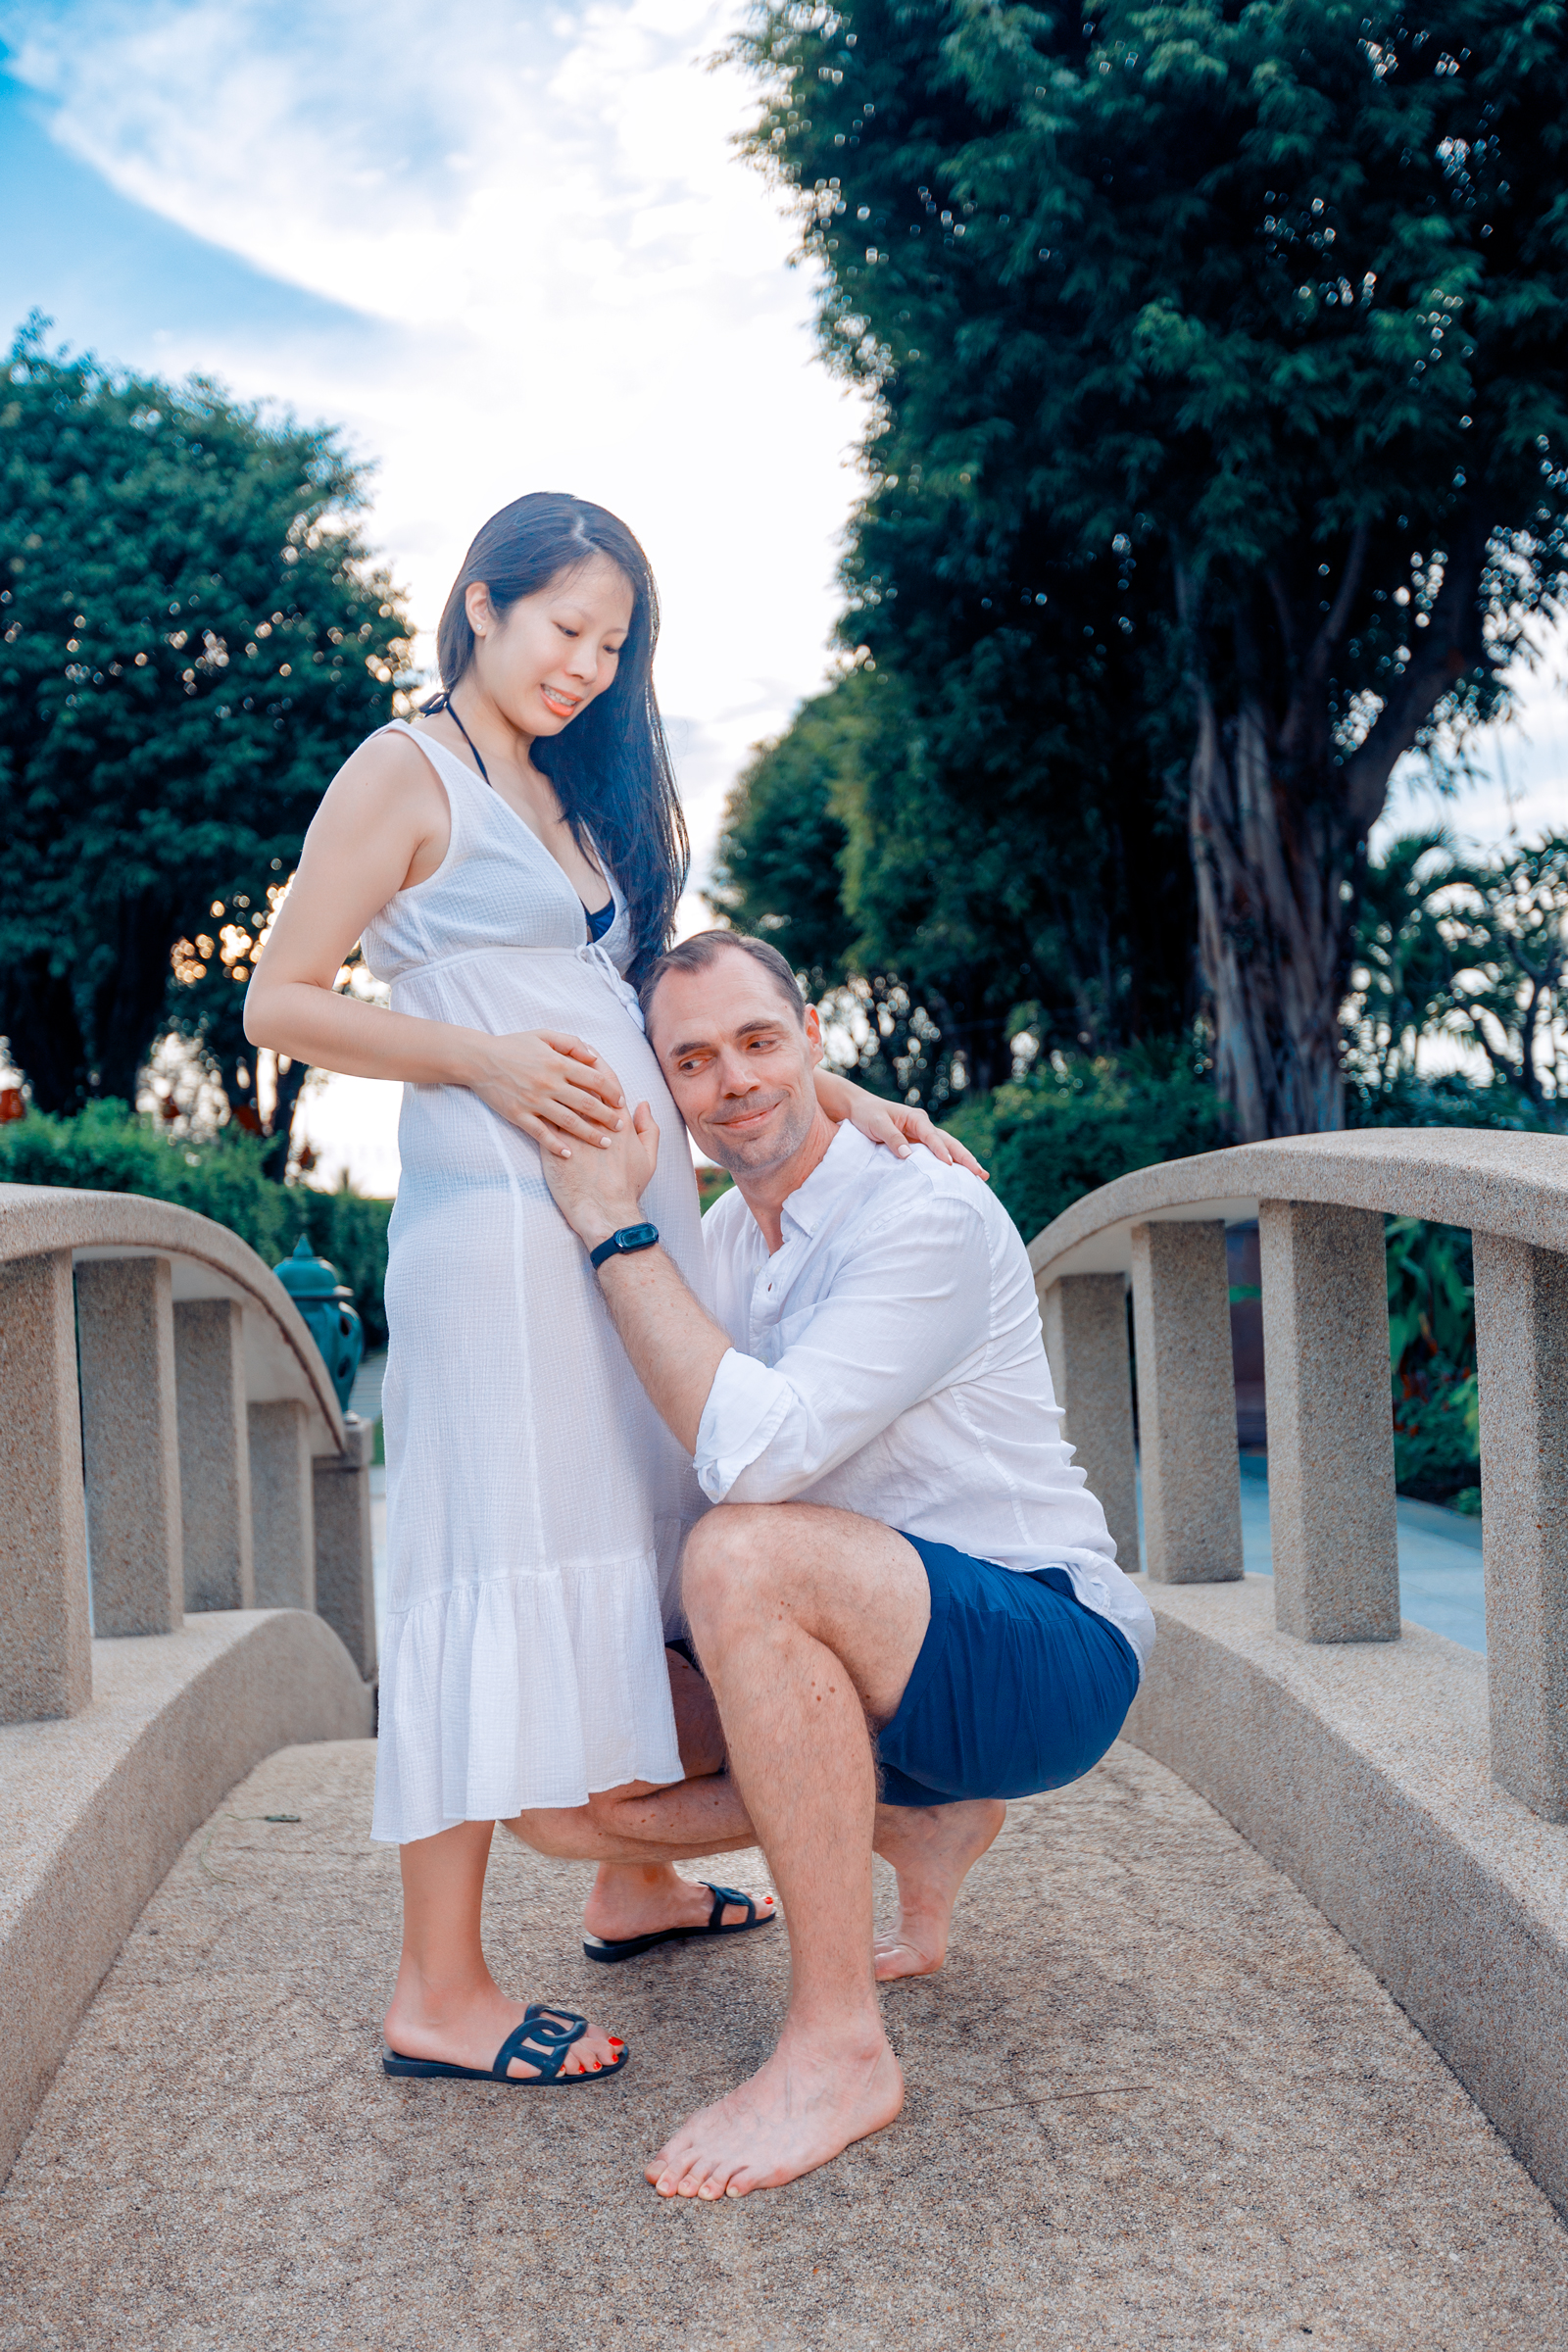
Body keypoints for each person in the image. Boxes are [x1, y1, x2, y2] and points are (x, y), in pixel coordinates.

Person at [244, 495, 978, 2089]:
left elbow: (666, 1008)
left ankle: (631, 1875)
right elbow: (277, 997)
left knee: (643, 1532)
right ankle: (437, 1983)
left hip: (629, 1236)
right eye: (563, 626)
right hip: (499, 1239)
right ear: (483, 604)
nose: (586, 664)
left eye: (615, 643)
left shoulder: (580, 797)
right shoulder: (406, 766)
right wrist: (481, 1056)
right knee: (491, 1552)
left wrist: (838, 1101)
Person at [526, 929, 1154, 2183]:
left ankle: (837, 2050)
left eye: (761, 1041)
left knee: (741, 1554)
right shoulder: (720, 1244)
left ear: (815, 1038)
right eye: (692, 1061)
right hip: (879, 1659)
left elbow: (755, 1465)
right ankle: (917, 1819)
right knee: (564, 1798)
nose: (734, 1081)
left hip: (1044, 1645)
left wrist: (607, 1226)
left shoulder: (922, 1210)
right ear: (663, 1090)